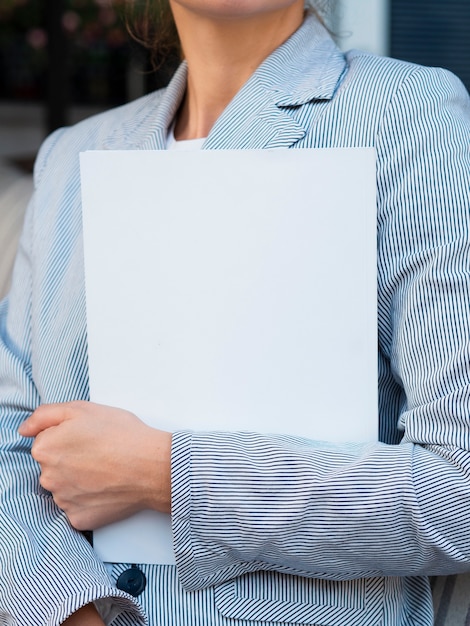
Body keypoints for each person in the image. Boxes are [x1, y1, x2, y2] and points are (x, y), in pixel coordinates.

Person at [1, 1, 470, 624]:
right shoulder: (71, 160)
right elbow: (9, 427)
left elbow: (456, 490)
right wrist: (72, 607)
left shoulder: (411, 114)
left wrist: (168, 474)